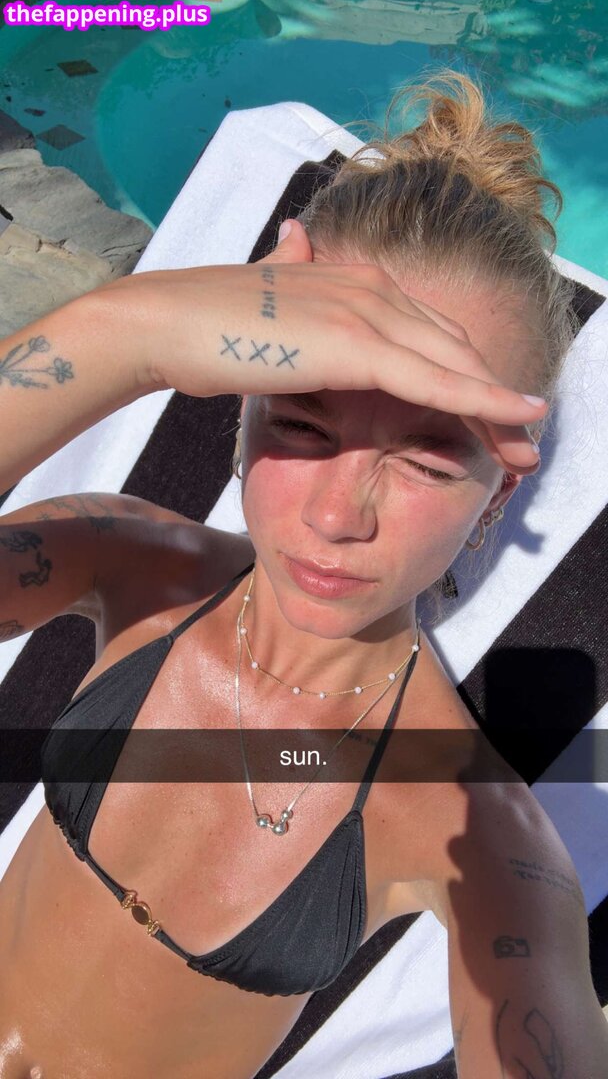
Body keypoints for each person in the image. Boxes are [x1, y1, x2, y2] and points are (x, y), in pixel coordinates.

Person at [0, 69, 606, 1078]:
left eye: (424, 460)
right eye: (302, 424)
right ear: (240, 402)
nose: (336, 516)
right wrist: (131, 334)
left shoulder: (468, 824)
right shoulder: (126, 559)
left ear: (497, 494)